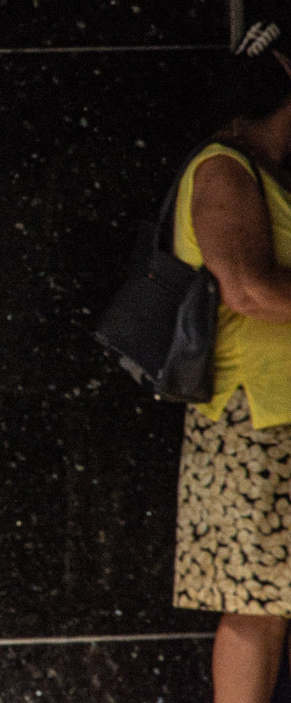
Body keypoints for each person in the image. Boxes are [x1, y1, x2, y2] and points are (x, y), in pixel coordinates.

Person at [170, 20, 291, 703]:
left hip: (278, 416)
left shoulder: (265, 168)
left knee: (272, 595)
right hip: (251, 419)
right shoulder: (224, 167)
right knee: (255, 599)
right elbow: (244, 286)